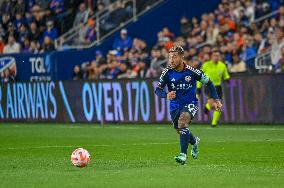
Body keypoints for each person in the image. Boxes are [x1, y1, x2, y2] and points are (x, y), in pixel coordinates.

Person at [155, 46, 222, 165]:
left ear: (182, 57)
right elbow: (158, 90)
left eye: (174, 57)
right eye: (170, 57)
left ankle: (183, 155)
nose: (171, 60)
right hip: (175, 105)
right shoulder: (167, 72)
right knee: (180, 129)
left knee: (182, 122)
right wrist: (166, 94)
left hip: (191, 103)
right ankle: (195, 142)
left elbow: (209, 83)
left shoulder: (192, 71)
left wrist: (216, 99)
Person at [197, 49, 230, 127]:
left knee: (218, 105)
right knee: (212, 104)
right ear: (211, 56)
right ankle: (208, 106)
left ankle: (214, 123)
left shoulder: (222, 65)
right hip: (208, 86)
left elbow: (226, 76)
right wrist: (198, 88)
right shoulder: (206, 65)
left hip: (218, 87)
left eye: (218, 56)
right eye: (215, 55)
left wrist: (229, 82)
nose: (216, 57)